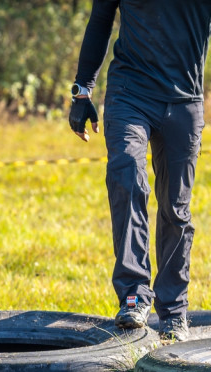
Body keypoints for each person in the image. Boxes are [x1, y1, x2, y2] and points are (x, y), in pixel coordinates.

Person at [69, 1, 211, 342]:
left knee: (175, 209)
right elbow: (101, 19)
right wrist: (82, 90)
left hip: (184, 101)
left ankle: (174, 310)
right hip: (129, 93)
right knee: (127, 179)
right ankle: (133, 295)